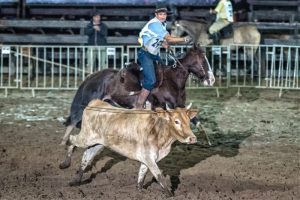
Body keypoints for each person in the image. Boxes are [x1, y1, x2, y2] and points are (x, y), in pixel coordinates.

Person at [135, 7, 192, 109]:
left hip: (154, 55)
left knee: (165, 73)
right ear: (156, 15)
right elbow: (169, 38)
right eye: (160, 14)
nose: (162, 16)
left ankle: (157, 98)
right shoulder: (155, 24)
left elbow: (162, 39)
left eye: (164, 14)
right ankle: (139, 104)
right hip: (145, 54)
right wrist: (183, 39)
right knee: (151, 81)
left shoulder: (162, 24)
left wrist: (165, 45)